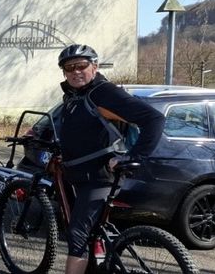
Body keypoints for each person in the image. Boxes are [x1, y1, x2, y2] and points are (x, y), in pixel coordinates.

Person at [54, 44, 164, 274]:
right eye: (69, 68)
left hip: (99, 177)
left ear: (94, 66)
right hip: (82, 175)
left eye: (81, 66)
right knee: (90, 231)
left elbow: (153, 119)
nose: (75, 72)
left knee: (77, 237)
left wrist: (135, 156)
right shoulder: (75, 95)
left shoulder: (102, 92)